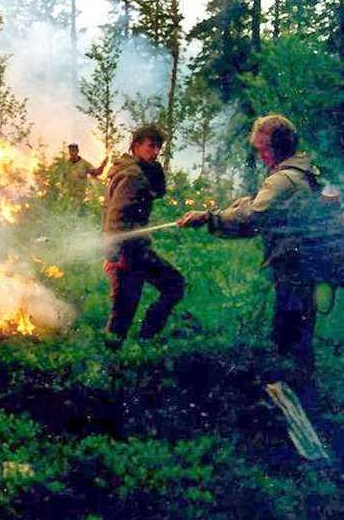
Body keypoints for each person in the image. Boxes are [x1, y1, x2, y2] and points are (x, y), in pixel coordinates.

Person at [178, 114, 319, 386]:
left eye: (263, 149)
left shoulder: (282, 180)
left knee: (287, 337)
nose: (262, 156)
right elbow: (259, 204)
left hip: (291, 272)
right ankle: (299, 391)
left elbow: (251, 219)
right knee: (298, 335)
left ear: (276, 147)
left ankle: (288, 400)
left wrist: (209, 218)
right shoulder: (300, 172)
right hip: (300, 269)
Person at [103, 125, 184, 342]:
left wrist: (155, 170)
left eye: (158, 147)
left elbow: (157, 192)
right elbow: (116, 217)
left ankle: (134, 348)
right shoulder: (132, 175)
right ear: (136, 146)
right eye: (151, 146)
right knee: (172, 286)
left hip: (134, 249)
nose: (156, 151)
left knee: (125, 308)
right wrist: (114, 256)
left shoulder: (138, 170)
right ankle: (139, 344)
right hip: (128, 251)